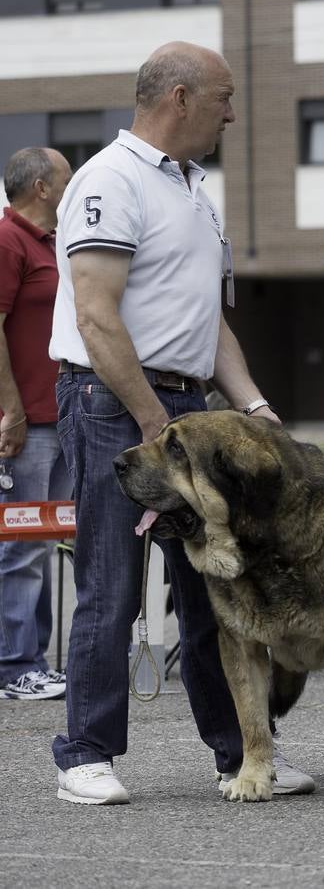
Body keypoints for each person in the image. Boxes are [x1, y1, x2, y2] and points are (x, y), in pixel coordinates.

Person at [47, 42, 312, 805]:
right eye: (224, 98)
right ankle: (85, 755)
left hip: (184, 408)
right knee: (112, 585)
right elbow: (96, 320)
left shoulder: (195, 188)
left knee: (214, 591)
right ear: (181, 98)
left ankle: (241, 756)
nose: (234, 114)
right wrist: (158, 427)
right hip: (115, 407)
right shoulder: (110, 179)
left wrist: (254, 405)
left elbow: (208, 324)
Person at [0, 147, 73, 702]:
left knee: (47, 542)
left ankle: (35, 661)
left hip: (61, 416)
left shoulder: (52, 242)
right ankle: (16, 666)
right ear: (41, 188)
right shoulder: (8, 241)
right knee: (23, 546)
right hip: (29, 423)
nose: (76, 182)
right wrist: (13, 411)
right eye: (66, 175)